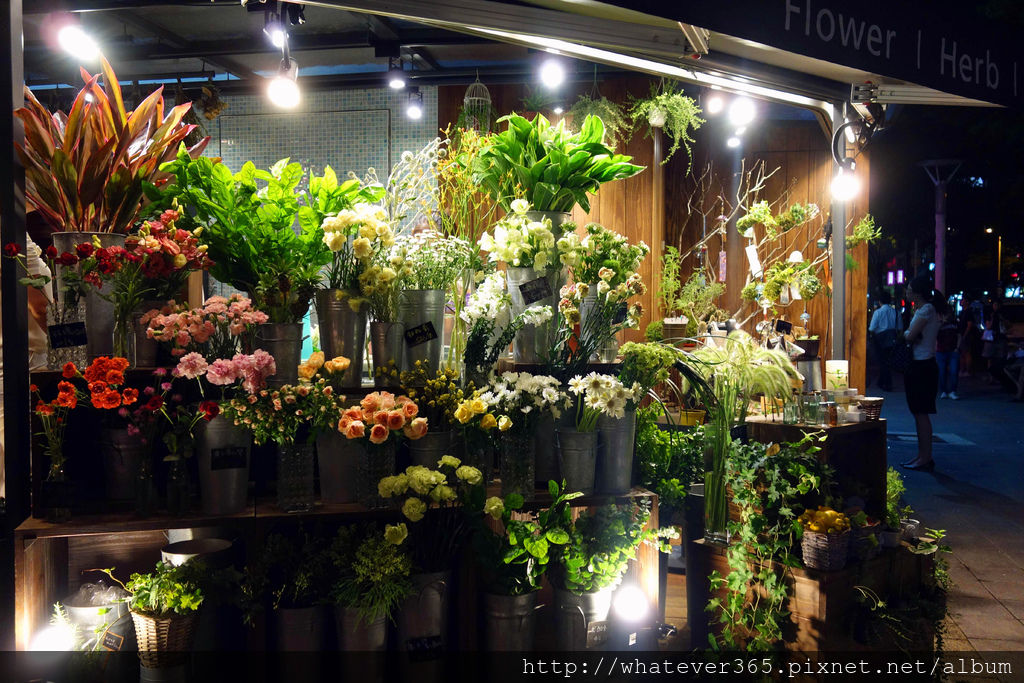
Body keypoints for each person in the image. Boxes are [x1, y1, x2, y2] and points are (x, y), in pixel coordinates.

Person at [900, 276, 943, 472]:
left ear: (916, 292)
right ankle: (922, 456)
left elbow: (909, 335)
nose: (906, 291)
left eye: (909, 289)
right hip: (922, 365)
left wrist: (905, 333)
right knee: (919, 413)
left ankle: (925, 458)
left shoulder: (926, 310)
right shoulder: (924, 309)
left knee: (921, 413)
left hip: (922, 367)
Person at [868, 291, 901, 391]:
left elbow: (872, 328)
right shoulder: (896, 312)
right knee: (888, 361)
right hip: (892, 339)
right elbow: (900, 327)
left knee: (882, 361)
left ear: (879, 301)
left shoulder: (878, 312)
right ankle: (884, 382)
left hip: (880, 340)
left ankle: (885, 383)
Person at [935, 302, 960, 400]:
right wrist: (941, 322)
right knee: (942, 372)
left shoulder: (955, 323)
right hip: (941, 350)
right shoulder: (939, 324)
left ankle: (952, 391)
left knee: (954, 371)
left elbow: (959, 335)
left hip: (953, 350)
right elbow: (935, 334)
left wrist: (957, 347)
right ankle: (944, 391)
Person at [982, 298, 1008, 384]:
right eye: (994, 304)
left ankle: (998, 377)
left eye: (997, 305)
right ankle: (991, 377)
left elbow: (1008, 325)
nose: (995, 306)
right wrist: (992, 318)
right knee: (990, 358)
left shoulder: (1003, 314)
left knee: (999, 358)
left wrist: (1002, 319)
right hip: (991, 338)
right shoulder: (990, 314)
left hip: (1000, 338)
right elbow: (988, 326)